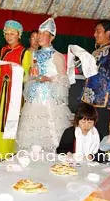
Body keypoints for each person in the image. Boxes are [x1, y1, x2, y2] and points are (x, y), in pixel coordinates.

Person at [16, 18, 72, 152]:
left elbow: (64, 79)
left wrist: (49, 79)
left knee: (51, 132)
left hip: (49, 100)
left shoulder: (57, 56)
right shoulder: (33, 54)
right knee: (31, 131)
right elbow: (31, 76)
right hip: (34, 99)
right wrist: (32, 75)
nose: (39, 36)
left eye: (43, 33)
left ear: (51, 37)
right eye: (39, 33)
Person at [0, 20, 31, 160]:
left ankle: (6, 154)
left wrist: (16, 72)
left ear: (19, 35)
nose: (9, 36)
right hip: (0, 91)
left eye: (13, 33)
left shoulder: (25, 53)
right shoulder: (1, 51)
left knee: (9, 122)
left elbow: (26, 77)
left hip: (14, 94)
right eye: (7, 33)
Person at [80, 20, 110, 140]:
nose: (95, 34)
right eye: (95, 31)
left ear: (108, 33)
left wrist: (93, 66)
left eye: (98, 31)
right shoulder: (96, 51)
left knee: (99, 131)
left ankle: (99, 157)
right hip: (88, 97)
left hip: (101, 99)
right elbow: (88, 73)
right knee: (85, 130)